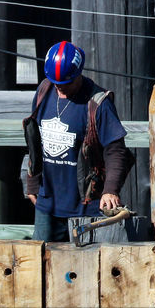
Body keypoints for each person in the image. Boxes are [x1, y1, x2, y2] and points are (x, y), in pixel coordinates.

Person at [23, 40, 133, 242]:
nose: (61, 89)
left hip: (86, 207)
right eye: (57, 83)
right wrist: (31, 182)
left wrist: (110, 191)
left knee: (85, 268)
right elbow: (34, 142)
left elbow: (116, 151)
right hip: (47, 204)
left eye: (66, 83)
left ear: (78, 74)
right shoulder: (44, 92)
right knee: (42, 265)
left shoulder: (98, 103)